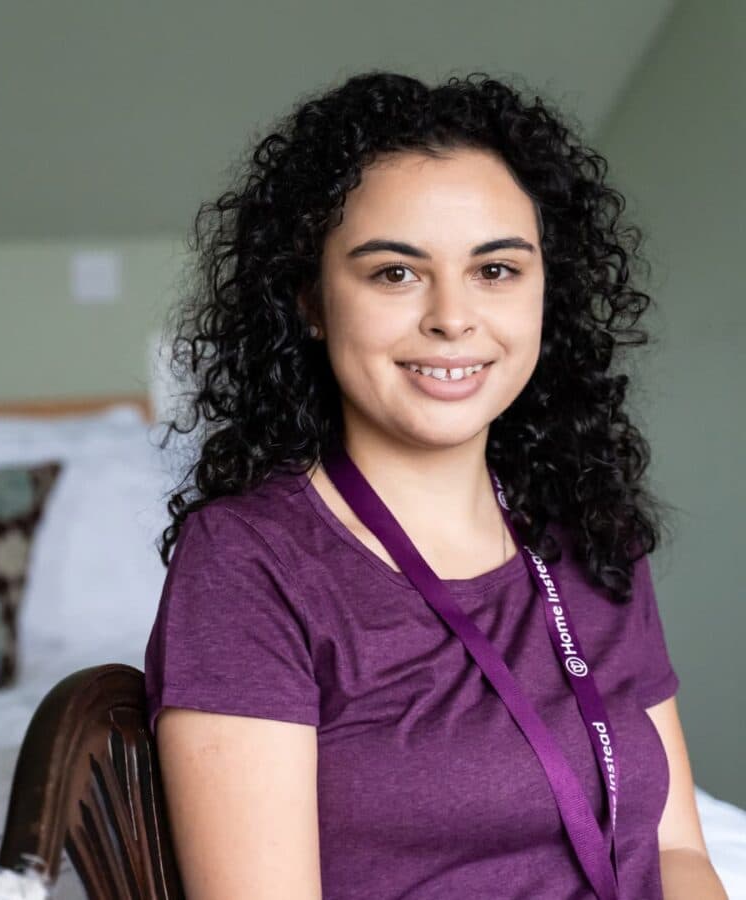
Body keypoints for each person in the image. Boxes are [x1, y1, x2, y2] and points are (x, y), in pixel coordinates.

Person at [142, 71, 728, 900]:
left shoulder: (586, 527)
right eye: (395, 273)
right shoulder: (249, 562)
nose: (453, 317)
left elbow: (676, 854)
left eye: (496, 271)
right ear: (311, 298)